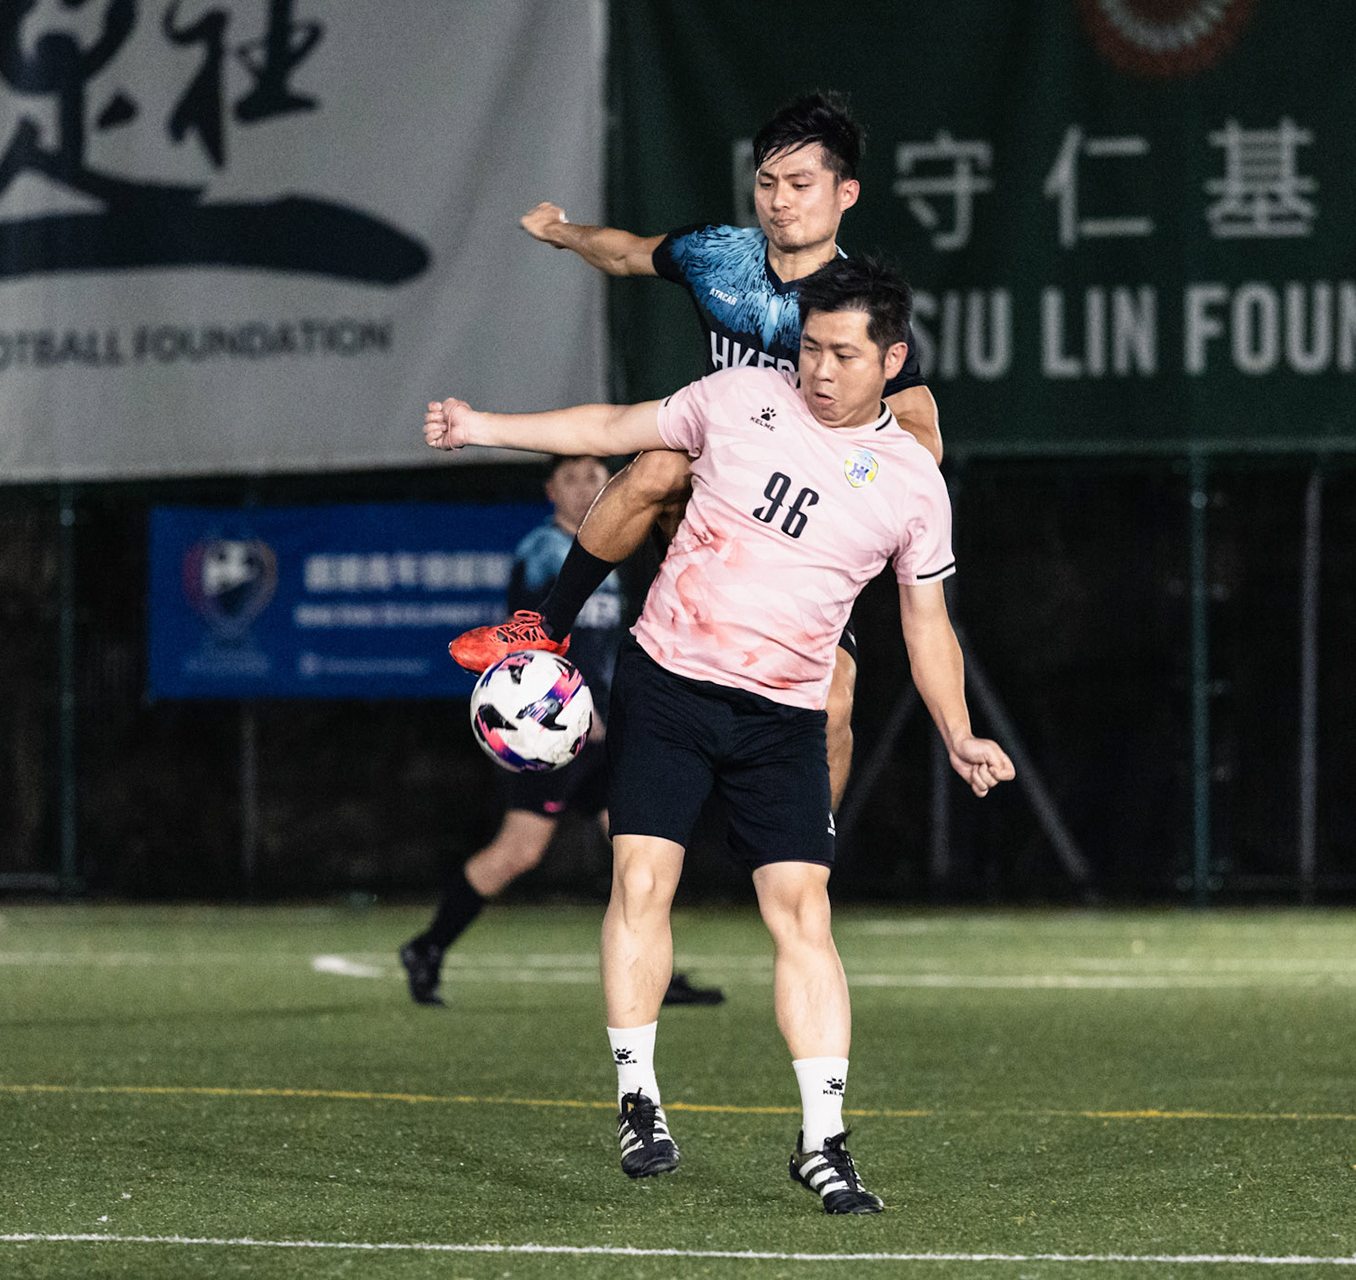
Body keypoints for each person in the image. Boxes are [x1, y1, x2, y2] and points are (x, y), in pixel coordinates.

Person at [425, 257, 1014, 1214]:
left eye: (845, 353)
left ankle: (823, 1141)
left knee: (803, 916)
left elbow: (926, 622)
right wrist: (486, 425)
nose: (820, 368)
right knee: (641, 882)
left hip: (782, 717)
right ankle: (638, 1098)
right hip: (668, 687)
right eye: (811, 346)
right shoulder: (742, 396)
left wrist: (958, 731)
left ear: (891, 360)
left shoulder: (911, 481)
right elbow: (613, 431)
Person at [447, 90, 941, 815]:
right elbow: (624, 254)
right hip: (714, 504)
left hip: (803, 534)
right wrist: (561, 231)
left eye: (800, 185)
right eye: (767, 182)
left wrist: (854, 468)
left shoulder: (851, 310)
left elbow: (923, 431)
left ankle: (811, 862)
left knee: (834, 709)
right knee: (660, 459)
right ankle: (547, 625)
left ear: (846, 194)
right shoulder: (719, 257)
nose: (779, 201)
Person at [398, 456, 723, 1008]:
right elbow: (526, 648)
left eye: (595, 477)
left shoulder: (615, 547)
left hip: (604, 737)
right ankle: (428, 946)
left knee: (637, 850)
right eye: (570, 478)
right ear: (551, 489)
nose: (583, 488)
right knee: (518, 852)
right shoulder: (543, 551)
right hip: (553, 735)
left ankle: (653, 974)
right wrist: (569, 708)